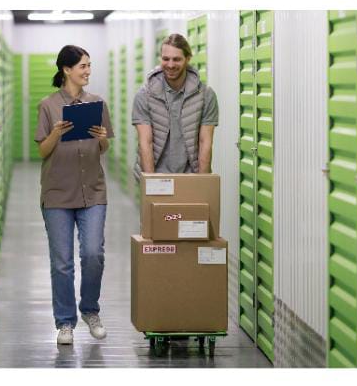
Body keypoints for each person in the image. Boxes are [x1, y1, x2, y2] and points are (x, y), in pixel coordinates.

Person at [35, 45, 114, 345]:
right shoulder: (48, 105)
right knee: (62, 262)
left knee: (93, 254)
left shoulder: (97, 103)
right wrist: (56, 133)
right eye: (83, 66)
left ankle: (90, 311)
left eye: (89, 66)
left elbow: (104, 148)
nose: (87, 71)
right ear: (66, 70)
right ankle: (65, 322)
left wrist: (102, 139)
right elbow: (42, 150)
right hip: (57, 192)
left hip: (93, 190)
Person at [132, 33, 219, 179]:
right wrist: (151, 183)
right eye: (166, 59)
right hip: (156, 173)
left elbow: (205, 142)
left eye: (177, 59)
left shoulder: (205, 95)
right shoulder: (144, 95)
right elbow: (145, 142)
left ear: (188, 59)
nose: (170, 65)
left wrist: (203, 182)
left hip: (191, 176)